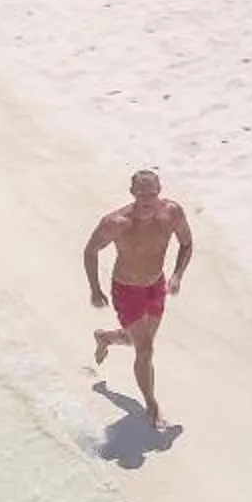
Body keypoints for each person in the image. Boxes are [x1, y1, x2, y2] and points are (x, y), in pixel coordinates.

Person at [84, 168, 194, 428]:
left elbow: (186, 244)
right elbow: (90, 251)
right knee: (145, 350)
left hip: (156, 286)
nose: (147, 199)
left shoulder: (172, 213)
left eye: (152, 193)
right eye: (141, 193)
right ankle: (152, 405)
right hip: (126, 290)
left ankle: (106, 337)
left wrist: (177, 275)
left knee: (140, 344)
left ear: (160, 191)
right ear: (132, 193)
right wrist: (95, 289)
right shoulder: (116, 223)